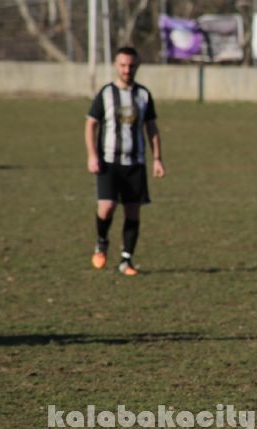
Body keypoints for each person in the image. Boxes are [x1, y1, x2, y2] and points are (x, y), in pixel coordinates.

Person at [85, 46, 165, 276]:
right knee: (107, 207)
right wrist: (92, 154)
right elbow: (91, 124)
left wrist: (157, 159)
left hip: (135, 163)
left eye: (131, 65)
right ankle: (102, 242)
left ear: (137, 66)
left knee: (133, 212)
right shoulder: (105, 94)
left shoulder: (143, 95)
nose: (127, 70)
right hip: (108, 162)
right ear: (116, 66)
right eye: (123, 65)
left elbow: (152, 127)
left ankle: (126, 260)